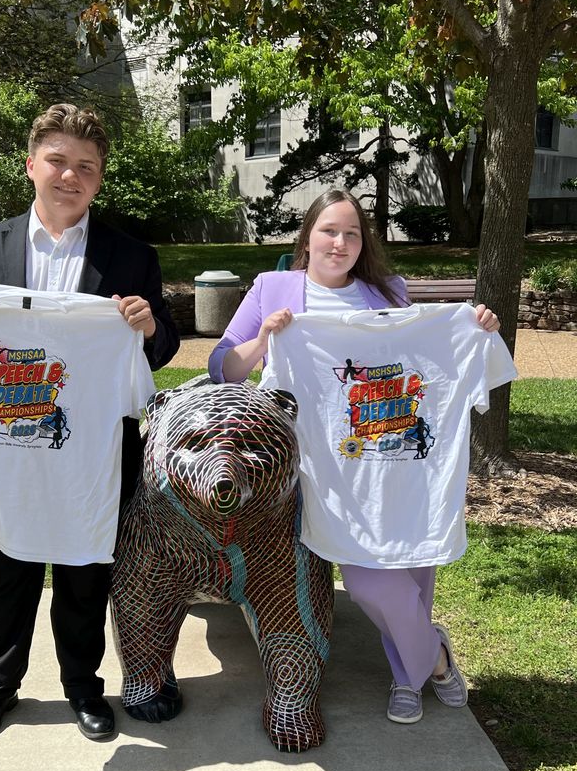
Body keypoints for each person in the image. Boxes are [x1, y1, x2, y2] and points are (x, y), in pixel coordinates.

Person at [0, 102, 179, 743]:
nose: (70, 175)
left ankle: (83, 689)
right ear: (31, 165)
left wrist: (147, 327)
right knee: (6, 570)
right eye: (58, 161)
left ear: (99, 178)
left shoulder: (131, 255)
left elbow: (163, 346)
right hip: (6, 443)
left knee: (86, 571)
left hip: (92, 447)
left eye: (85, 166)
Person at [209, 188, 504, 726]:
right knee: (369, 580)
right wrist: (265, 341)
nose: (340, 242)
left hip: (396, 459)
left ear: (362, 242)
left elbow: (416, 362)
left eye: (352, 233)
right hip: (325, 469)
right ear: (307, 238)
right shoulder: (274, 288)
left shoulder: (387, 292)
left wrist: (474, 330)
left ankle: (406, 679)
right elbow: (221, 367)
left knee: (415, 572)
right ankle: (433, 656)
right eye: (329, 230)